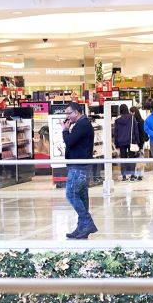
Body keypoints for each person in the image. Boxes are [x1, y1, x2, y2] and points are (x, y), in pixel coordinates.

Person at [62, 103, 98, 240]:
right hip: (81, 165)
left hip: (79, 166)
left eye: (69, 113)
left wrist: (65, 130)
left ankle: (87, 222)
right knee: (82, 197)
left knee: (71, 194)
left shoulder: (82, 125)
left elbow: (69, 141)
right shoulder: (82, 124)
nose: (67, 117)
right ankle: (81, 227)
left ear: (76, 112)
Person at [112, 107, 141, 181]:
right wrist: (137, 141)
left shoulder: (117, 120)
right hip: (131, 141)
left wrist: (116, 143)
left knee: (123, 158)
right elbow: (135, 130)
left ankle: (124, 175)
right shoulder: (132, 118)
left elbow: (116, 132)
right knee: (132, 158)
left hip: (121, 142)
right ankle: (132, 175)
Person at [130, 105, 147, 180]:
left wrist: (141, 146)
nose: (130, 114)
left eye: (131, 112)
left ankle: (139, 175)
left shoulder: (140, 121)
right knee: (135, 159)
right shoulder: (134, 121)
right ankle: (136, 174)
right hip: (135, 143)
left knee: (139, 159)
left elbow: (142, 134)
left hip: (139, 143)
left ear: (134, 112)